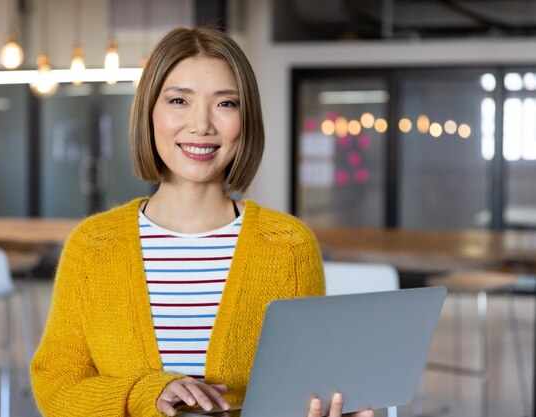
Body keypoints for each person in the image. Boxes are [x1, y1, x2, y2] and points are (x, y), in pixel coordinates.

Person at [30, 26, 373, 417]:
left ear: (246, 120)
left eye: (226, 104)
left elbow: (307, 386)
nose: (202, 125)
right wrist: (147, 394)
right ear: (149, 112)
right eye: (179, 100)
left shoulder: (289, 246)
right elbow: (56, 388)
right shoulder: (92, 246)